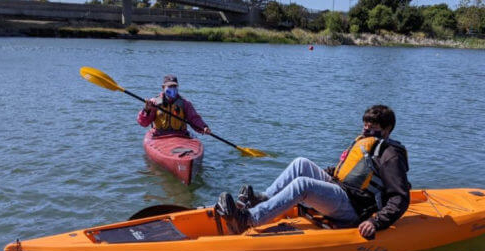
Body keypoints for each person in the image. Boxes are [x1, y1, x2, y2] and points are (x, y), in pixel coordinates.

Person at [216, 105, 410, 238]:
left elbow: (400, 197)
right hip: (343, 191)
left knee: (303, 185)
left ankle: (248, 219)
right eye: (365, 126)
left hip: (355, 208)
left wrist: (376, 222)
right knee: (302, 164)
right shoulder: (367, 143)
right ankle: (263, 200)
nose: (366, 131)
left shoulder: (390, 155)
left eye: (372, 128)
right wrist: (324, 173)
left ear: (386, 130)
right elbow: (350, 172)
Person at [137, 74, 211, 137]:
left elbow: (194, 118)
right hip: (160, 135)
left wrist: (203, 127)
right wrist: (146, 110)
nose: (172, 89)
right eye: (170, 86)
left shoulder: (185, 104)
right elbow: (143, 123)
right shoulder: (155, 102)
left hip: (180, 136)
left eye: (174, 86)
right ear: (163, 87)